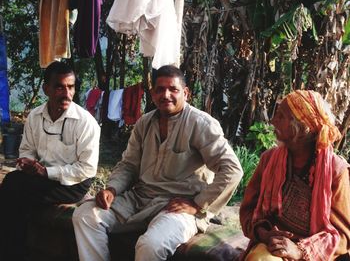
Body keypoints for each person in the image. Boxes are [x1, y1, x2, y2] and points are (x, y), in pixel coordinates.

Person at [72, 65, 243, 261]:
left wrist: (198, 204)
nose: (166, 95)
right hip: (140, 198)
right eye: (160, 89)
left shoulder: (200, 123)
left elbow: (232, 170)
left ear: (185, 93)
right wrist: (111, 189)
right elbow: (129, 165)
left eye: (173, 89)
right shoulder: (144, 123)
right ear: (152, 93)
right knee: (85, 215)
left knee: (150, 245)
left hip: (177, 206)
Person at [0, 61, 101, 261]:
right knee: (13, 184)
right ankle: (15, 251)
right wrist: (28, 164)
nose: (66, 93)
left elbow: (87, 169)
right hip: (40, 178)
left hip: (73, 183)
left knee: (14, 190)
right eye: (59, 86)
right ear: (46, 88)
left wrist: (46, 172)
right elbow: (27, 150)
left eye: (70, 87)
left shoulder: (85, 122)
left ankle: (13, 253)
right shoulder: (35, 116)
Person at [239, 90, 350, 260]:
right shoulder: (268, 160)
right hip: (273, 247)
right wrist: (264, 234)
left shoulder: (336, 171)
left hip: (316, 253)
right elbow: (248, 210)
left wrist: (300, 251)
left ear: (303, 127)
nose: (273, 120)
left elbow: (343, 236)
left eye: (281, 117)